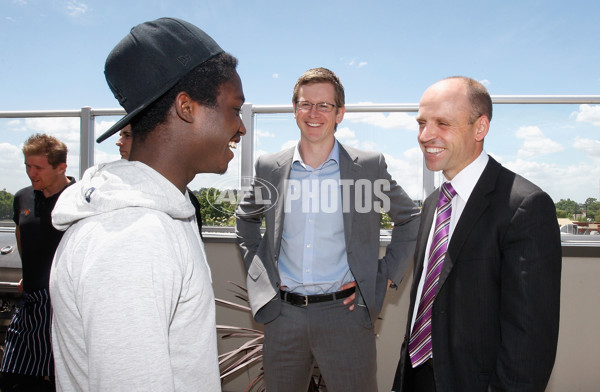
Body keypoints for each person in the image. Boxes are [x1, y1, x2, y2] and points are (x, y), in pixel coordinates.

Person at [49, 17, 245, 391]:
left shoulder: (165, 214)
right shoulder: (134, 238)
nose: (242, 126)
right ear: (186, 107)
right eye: (234, 108)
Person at [236, 67, 420, 392]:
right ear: (294, 110)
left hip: (345, 317)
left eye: (325, 106)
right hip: (283, 317)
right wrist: (259, 273)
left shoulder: (368, 167)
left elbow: (410, 219)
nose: (314, 113)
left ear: (340, 114)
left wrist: (383, 276)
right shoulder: (270, 167)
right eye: (306, 104)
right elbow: (245, 219)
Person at [392, 76, 561, 392]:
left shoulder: (525, 207)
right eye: (421, 123)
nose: (426, 135)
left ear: (480, 128)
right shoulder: (432, 205)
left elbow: (530, 339)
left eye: (442, 123)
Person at [0, 133, 75, 392]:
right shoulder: (22, 197)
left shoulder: (78, 201)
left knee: (55, 380)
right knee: (12, 377)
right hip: (30, 299)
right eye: (27, 166)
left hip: (62, 304)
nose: (31, 173)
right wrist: (26, 272)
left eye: (38, 167)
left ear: (61, 167)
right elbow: (22, 232)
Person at [115, 124, 204, 239]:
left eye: (127, 135)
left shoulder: (182, 199)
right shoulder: (119, 190)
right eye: (121, 135)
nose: (118, 142)